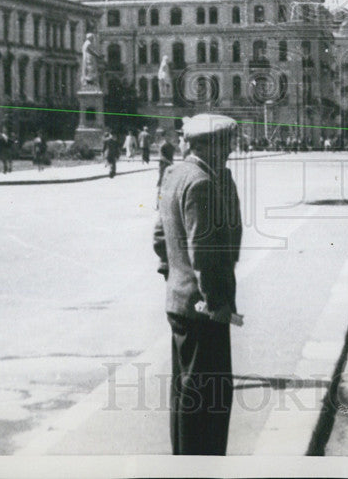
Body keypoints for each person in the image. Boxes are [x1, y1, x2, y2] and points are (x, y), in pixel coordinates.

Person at [153, 114, 243, 455]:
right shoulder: (202, 182)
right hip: (204, 311)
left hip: (180, 303)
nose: (231, 150)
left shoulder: (174, 175)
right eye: (226, 144)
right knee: (211, 401)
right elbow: (203, 253)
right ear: (208, 145)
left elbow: (160, 237)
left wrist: (175, 278)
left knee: (186, 397)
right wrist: (215, 302)